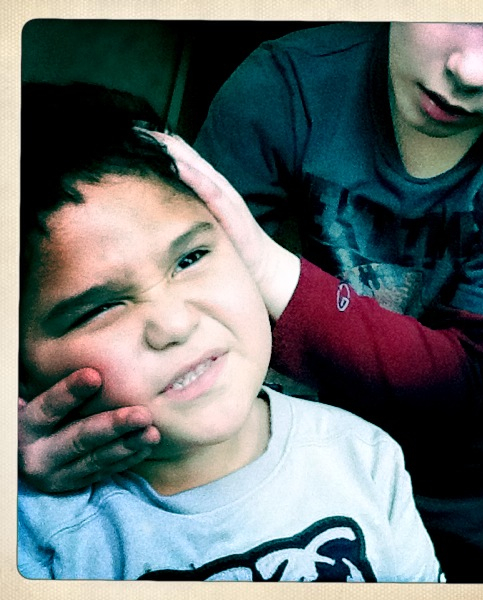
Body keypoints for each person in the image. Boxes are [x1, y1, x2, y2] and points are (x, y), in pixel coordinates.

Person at [18, 22, 483, 583]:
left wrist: (268, 265)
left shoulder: (365, 455)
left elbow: (482, 381)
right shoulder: (284, 85)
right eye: (100, 309)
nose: (472, 71)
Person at [18, 81, 443, 582]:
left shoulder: (364, 455)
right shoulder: (32, 531)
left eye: (191, 258)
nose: (175, 325)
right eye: (101, 309)